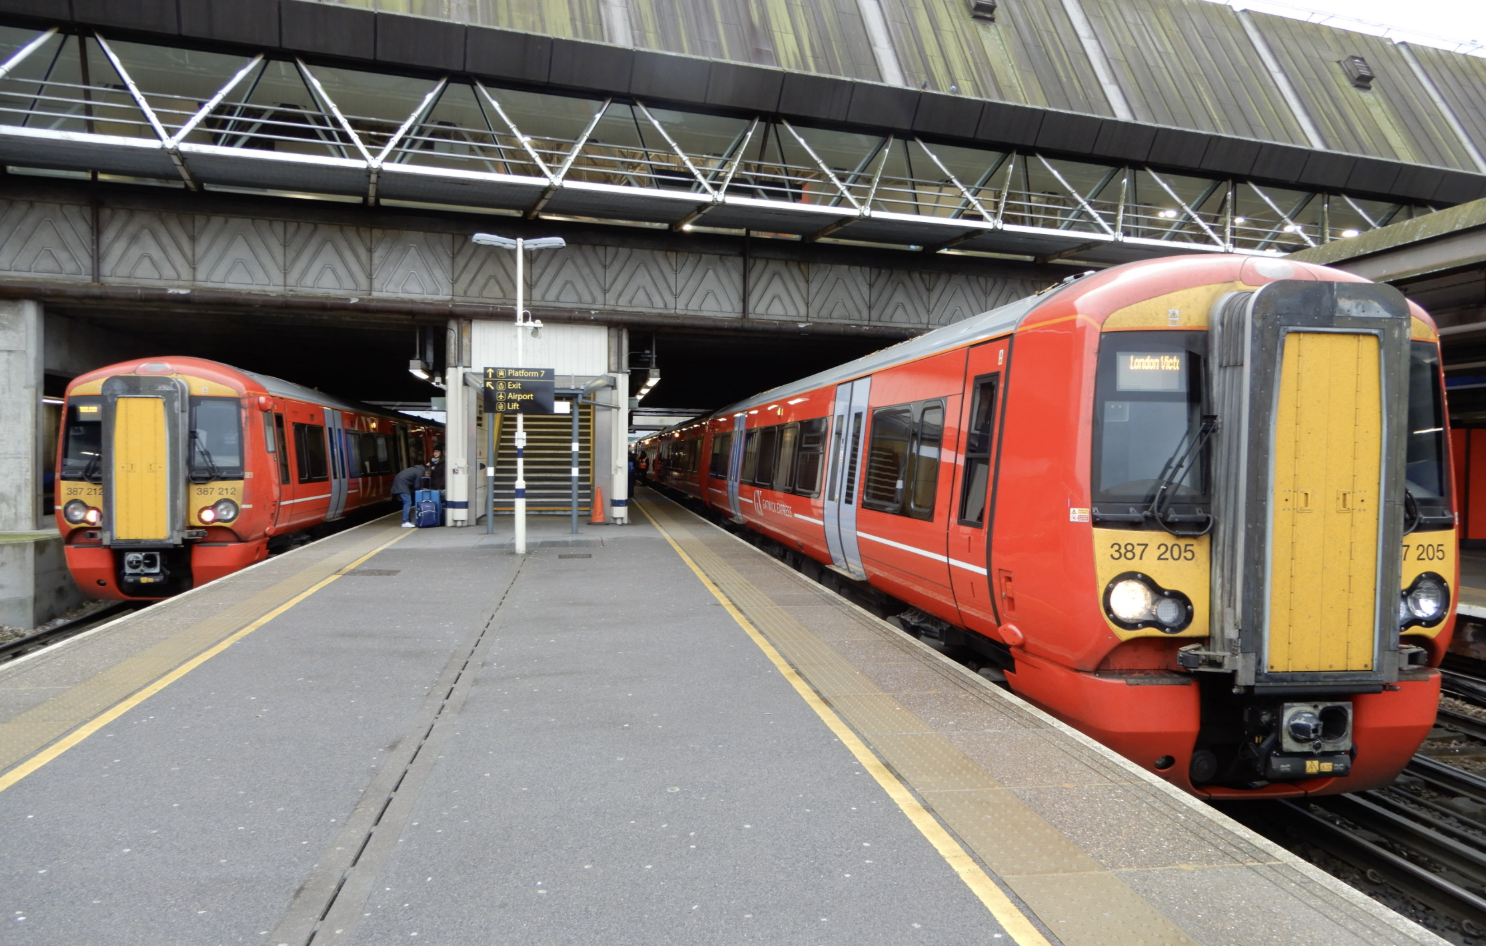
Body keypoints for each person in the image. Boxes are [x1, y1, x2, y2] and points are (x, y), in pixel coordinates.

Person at [392, 462, 428, 527]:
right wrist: (422, 488)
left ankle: (408, 521)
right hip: (402, 486)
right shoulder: (420, 472)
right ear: (425, 471)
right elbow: (417, 486)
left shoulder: (416, 469)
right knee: (407, 502)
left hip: (399, 484)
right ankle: (405, 521)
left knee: (406, 503)